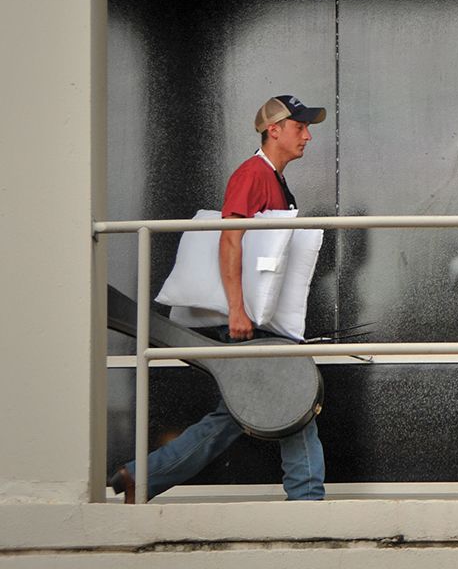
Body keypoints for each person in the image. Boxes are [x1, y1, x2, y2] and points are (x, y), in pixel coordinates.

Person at [109, 95, 328, 503]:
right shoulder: (252, 175)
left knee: (232, 419)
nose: (308, 135)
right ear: (273, 129)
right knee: (293, 400)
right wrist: (237, 310)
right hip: (251, 323)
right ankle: (308, 502)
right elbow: (229, 240)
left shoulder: (275, 179)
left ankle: (142, 477)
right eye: (300, 127)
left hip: (262, 323)